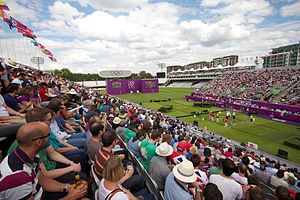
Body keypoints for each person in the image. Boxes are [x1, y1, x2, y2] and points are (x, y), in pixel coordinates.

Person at [0, 122, 87, 199]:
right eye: (48, 135)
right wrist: (70, 197)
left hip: (39, 193)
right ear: (38, 142)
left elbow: (42, 181)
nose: (51, 137)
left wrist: (67, 187)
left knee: (82, 185)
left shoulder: (32, 156)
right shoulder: (17, 177)